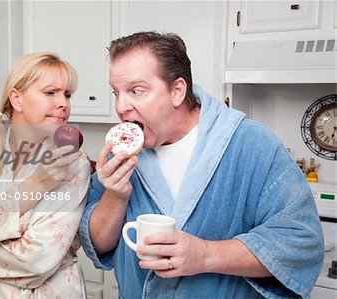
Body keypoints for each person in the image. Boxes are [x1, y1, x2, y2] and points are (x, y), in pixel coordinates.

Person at [79, 31, 324, 298]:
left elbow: (300, 243)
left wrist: (206, 255)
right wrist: (115, 195)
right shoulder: (122, 157)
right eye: (116, 92)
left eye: (136, 91)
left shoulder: (252, 145)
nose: (121, 106)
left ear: (177, 91)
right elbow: (98, 243)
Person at [0, 53, 90, 298]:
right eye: (50, 92)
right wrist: (36, 185)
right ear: (17, 99)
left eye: (67, 94)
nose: (63, 103)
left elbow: (37, 261)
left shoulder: (73, 163)